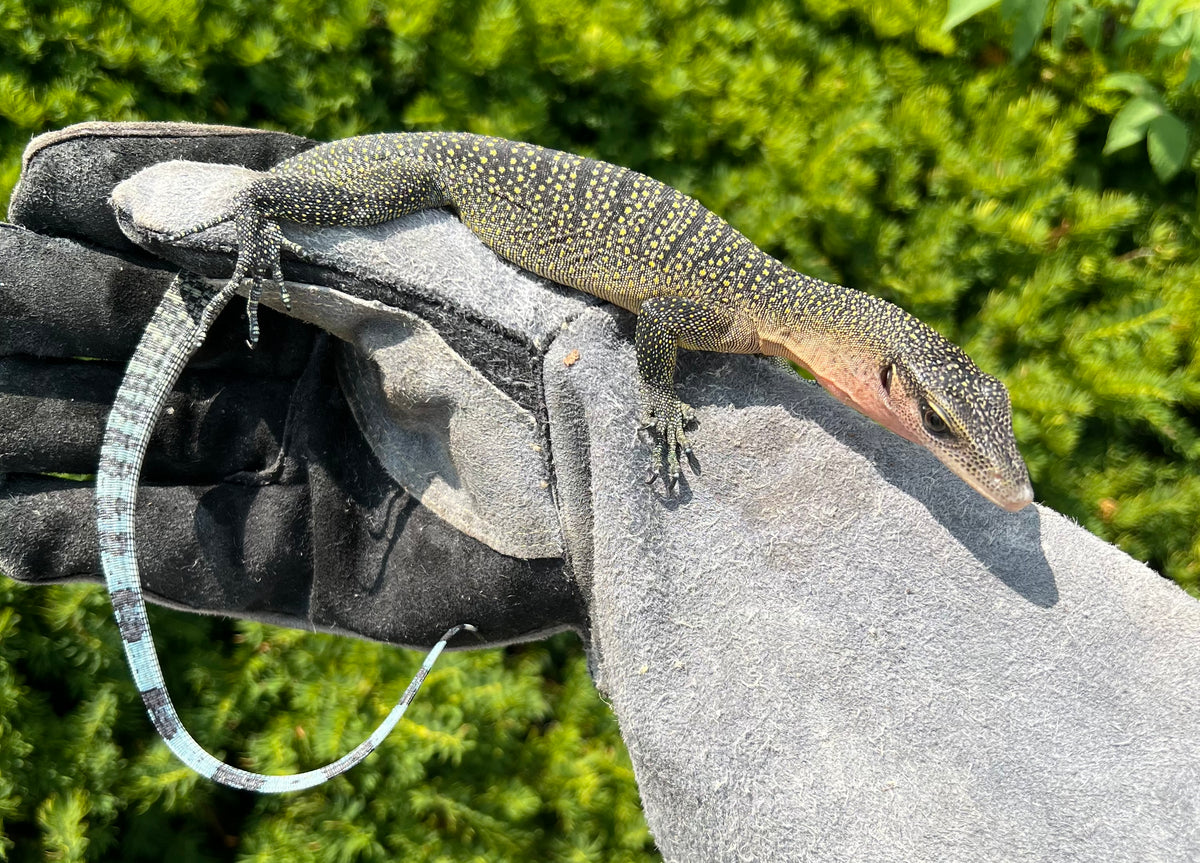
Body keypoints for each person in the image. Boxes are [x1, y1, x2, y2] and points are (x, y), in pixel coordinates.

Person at [2, 122, 1198, 861]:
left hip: (451, 176)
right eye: (933, 424)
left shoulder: (781, 320)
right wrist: (661, 405)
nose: (960, 452)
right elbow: (659, 327)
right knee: (290, 209)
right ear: (876, 377)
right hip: (437, 171)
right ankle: (257, 213)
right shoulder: (729, 313)